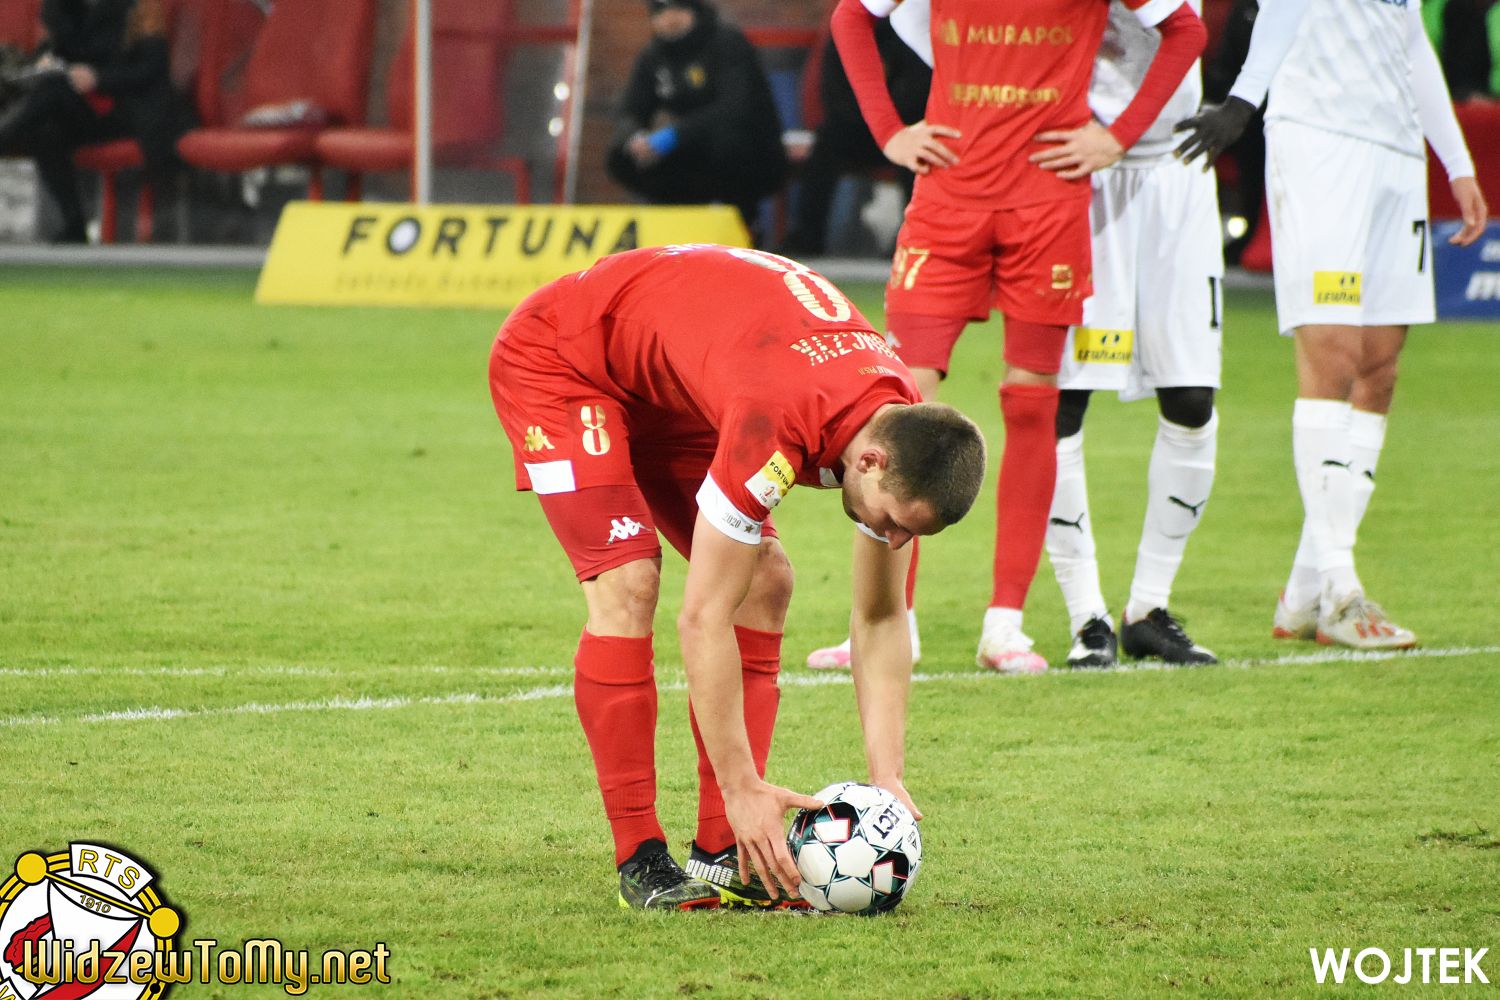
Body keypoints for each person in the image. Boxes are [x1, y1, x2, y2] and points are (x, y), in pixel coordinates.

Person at [487, 244, 986, 910]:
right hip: (563, 359)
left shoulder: (900, 425)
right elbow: (702, 619)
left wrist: (886, 774)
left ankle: (725, 853)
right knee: (630, 583)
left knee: (764, 582)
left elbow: (881, 614)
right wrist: (742, 783)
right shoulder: (777, 418)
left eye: (910, 534)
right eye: (894, 523)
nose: (893, 540)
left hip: (676, 387)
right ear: (868, 462)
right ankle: (641, 856)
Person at [807, 0, 1207, 673]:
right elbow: (851, 15)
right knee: (897, 406)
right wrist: (889, 131)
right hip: (947, 201)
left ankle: (1005, 628)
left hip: (1047, 204)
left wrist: (1118, 137)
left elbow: (1186, 29)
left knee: (1032, 403)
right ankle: (889, 621)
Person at [1176, 0, 1489, 649]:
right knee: (1334, 357)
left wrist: (1457, 163)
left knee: (1379, 369)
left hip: (1396, 153)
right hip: (1321, 140)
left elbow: (1410, 38)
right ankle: (1342, 592)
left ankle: (1305, 590)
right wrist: (1243, 101)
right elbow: (1281, 9)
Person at [1043, 0, 1222, 669]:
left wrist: (1243, 100)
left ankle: (1148, 608)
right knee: (1065, 401)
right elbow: (895, 15)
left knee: (1192, 398)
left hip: (1179, 173)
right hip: (1088, 175)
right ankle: (1087, 617)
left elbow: (1196, 28)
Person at [0, 0, 187, 243]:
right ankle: (75, 225)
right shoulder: (64, 8)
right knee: (46, 130)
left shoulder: (140, 7)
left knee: (53, 93)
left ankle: (5, 137)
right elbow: (55, 53)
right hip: (85, 106)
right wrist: (44, 64)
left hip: (133, 111)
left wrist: (98, 79)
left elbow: (152, 69)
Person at [605, 0, 788, 236]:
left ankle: (743, 226)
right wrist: (634, 136)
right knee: (621, 156)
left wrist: (676, 134)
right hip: (690, 149)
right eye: (660, 13)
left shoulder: (726, 43)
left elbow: (734, 108)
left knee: (727, 143)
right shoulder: (654, 54)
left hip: (748, 151)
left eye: (677, 10)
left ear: (694, 11)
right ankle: (670, 224)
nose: (669, 19)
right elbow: (631, 108)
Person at [780, 21, 931, 258]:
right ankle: (807, 239)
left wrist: (892, 129)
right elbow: (833, 94)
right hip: (853, 129)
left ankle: (916, 239)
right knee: (825, 145)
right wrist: (871, 123)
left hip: (902, 127)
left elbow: (919, 92)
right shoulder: (845, 29)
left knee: (920, 150)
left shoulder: (908, 29)